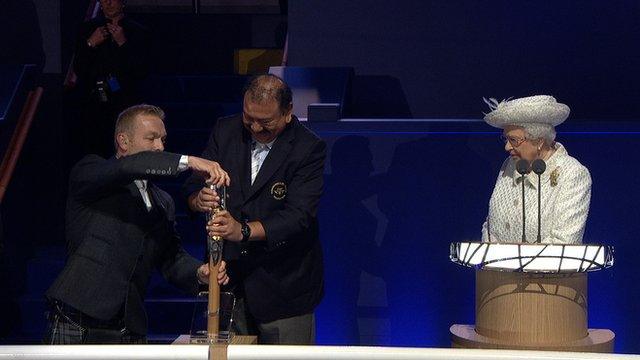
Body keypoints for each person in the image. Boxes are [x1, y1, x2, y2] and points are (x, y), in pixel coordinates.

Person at [45, 104, 231, 344]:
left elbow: (171, 258)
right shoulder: (92, 172)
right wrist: (189, 161)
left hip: (128, 325)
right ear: (123, 141)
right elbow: (127, 167)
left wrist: (200, 273)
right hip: (78, 317)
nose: (160, 147)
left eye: (163, 139)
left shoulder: (163, 201)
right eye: (151, 138)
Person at [183, 74, 325, 344]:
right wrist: (197, 199)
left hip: (285, 287)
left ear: (287, 113)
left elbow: (299, 216)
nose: (256, 128)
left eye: (266, 122)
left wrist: (243, 231)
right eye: (249, 118)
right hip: (229, 284)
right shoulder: (225, 131)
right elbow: (192, 186)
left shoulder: (309, 148)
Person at [481, 95, 591, 244]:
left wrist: (513, 262)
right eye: (506, 139)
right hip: (494, 267)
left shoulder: (573, 174)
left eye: (514, 140)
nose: (507, 147)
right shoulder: (509, 165)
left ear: (539, 140)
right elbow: (490, 227)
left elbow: (564, 242)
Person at [71, 0, 151, 158]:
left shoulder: (137, 31)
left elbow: (141, 70)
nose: (108, 3)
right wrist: (90, 43)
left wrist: (123, 43)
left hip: (125, 101)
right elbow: (79, 68)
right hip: (94, 102)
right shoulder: (87, 29)